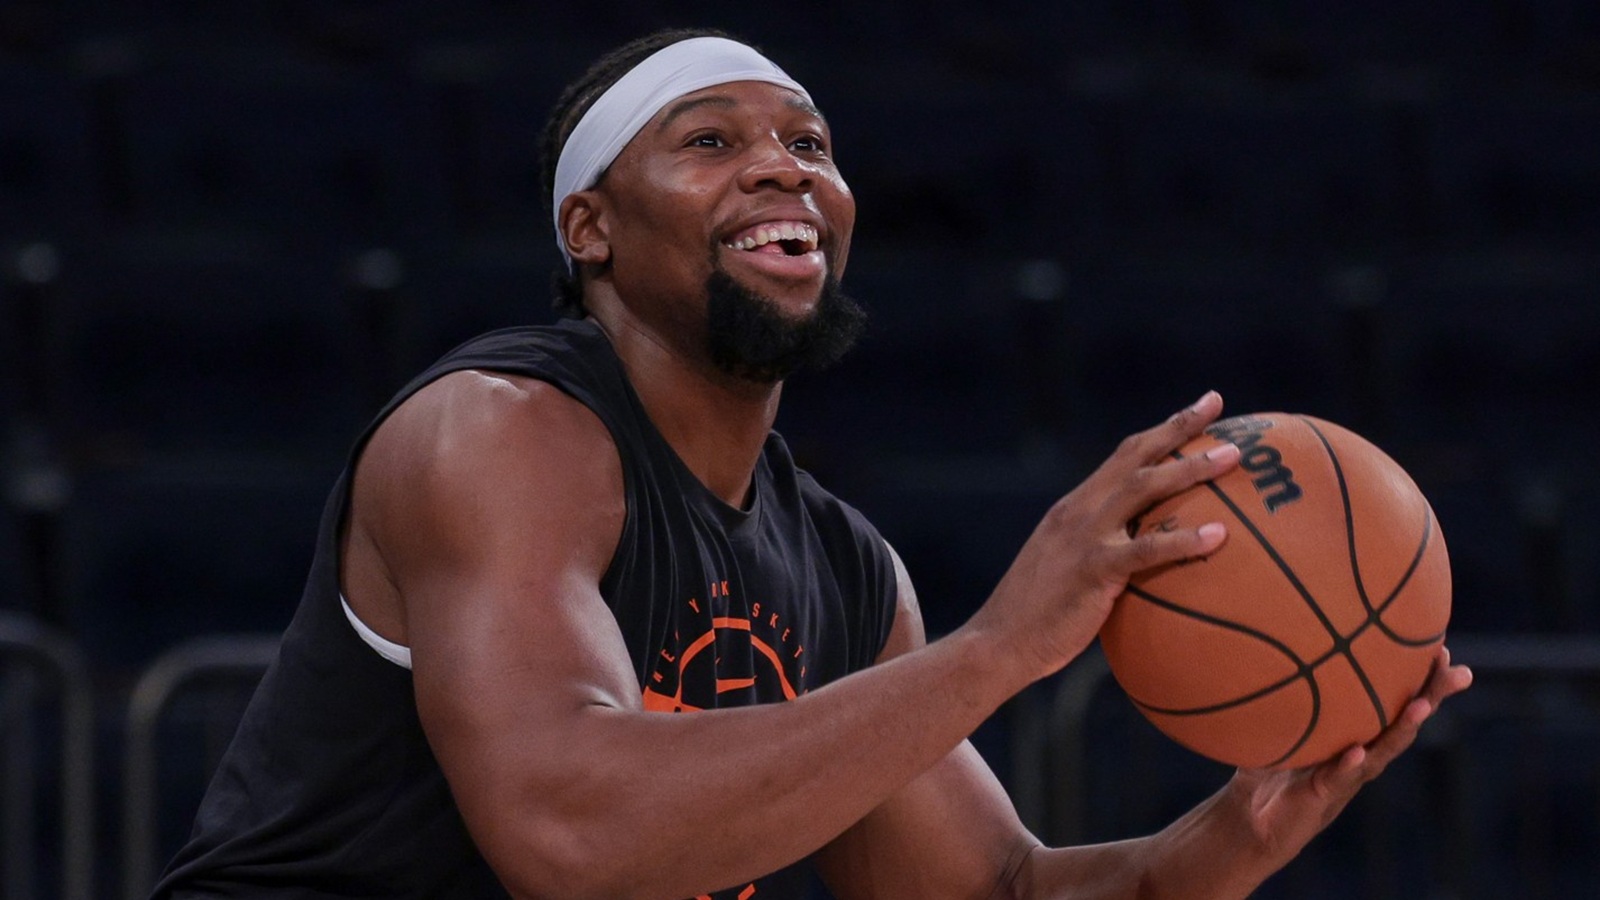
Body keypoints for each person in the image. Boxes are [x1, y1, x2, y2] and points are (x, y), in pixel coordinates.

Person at [153, 28, 1472, 900]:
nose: (782, 170)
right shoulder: (500, 433)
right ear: (590, 228)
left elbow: (993, 894)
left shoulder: (842, 567)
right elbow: (567, 827)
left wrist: (1228, 841)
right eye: (712, 141)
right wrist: (999, 650)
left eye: (808, 144)